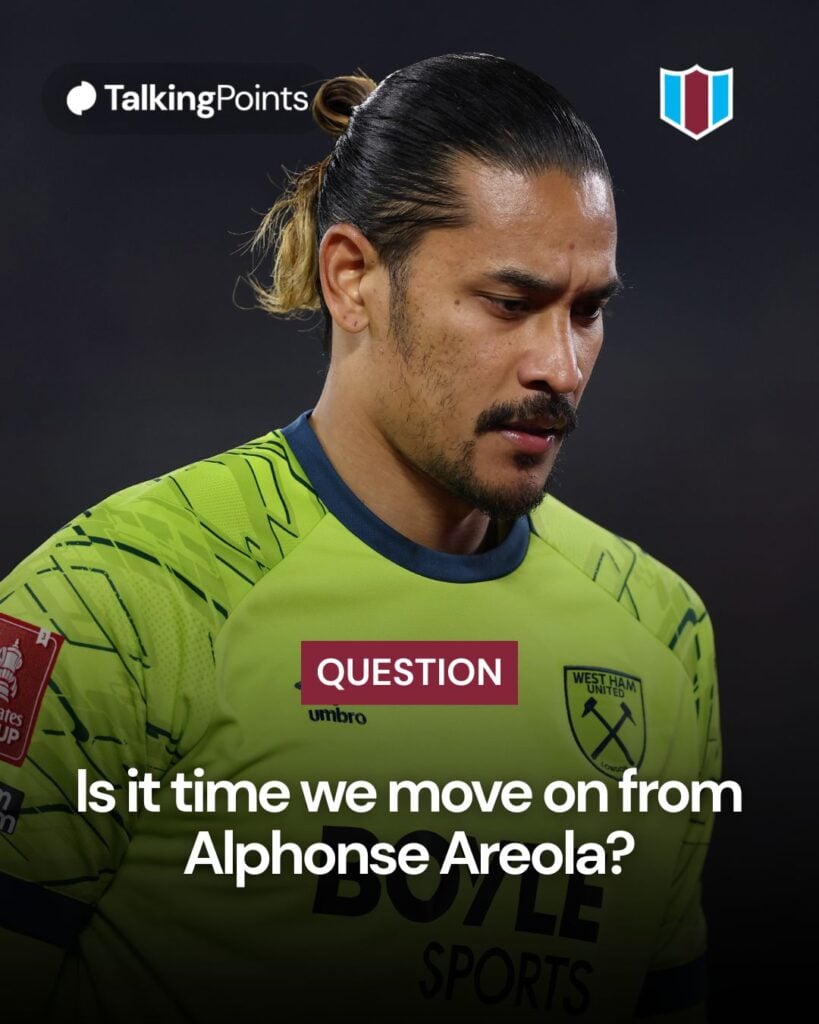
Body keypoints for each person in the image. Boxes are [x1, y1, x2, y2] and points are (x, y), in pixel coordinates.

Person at [0, 53, 720, 1022]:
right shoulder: (123, 599)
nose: (560, 363)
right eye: (510, 304)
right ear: (352, 280)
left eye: (588, 311)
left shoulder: (661, 635)